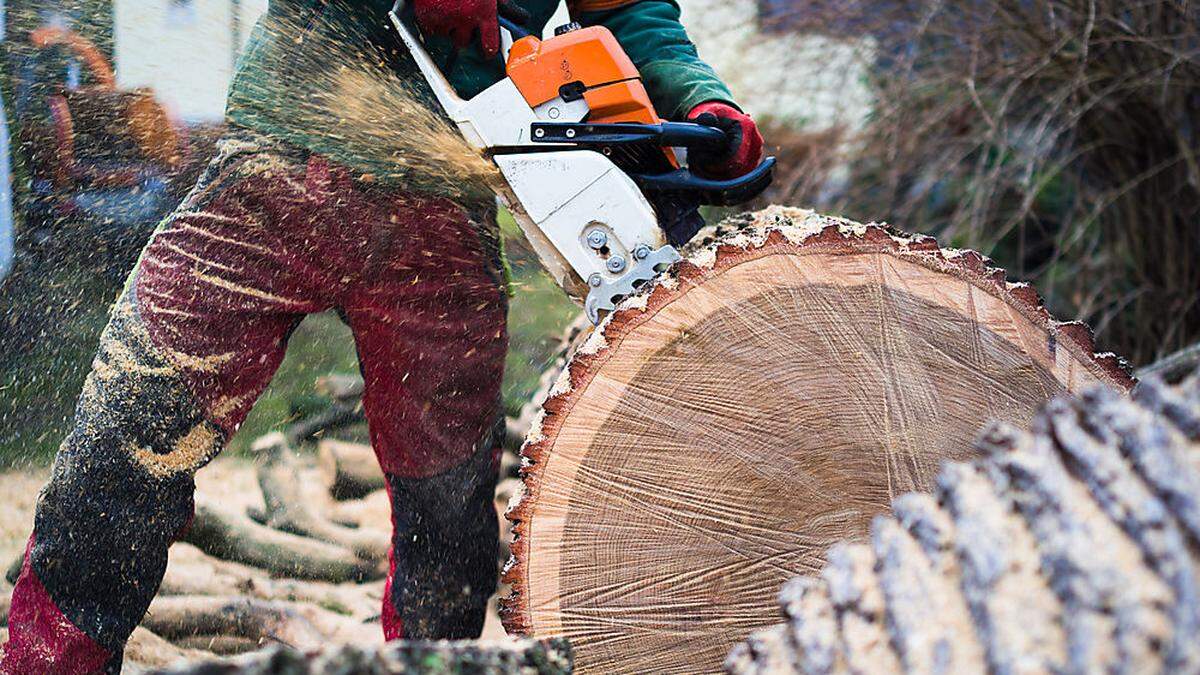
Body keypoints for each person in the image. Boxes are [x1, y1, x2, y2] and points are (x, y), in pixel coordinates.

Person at [0, 0, 763, 672]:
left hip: (445, 205)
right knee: (125, 440)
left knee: (449, 507)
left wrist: (698, 101)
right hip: (274, 163)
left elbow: (629, 13)